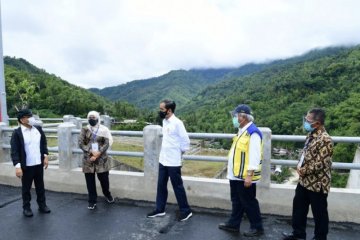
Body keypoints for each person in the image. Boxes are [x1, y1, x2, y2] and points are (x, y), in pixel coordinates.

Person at [283, 108, 333, 240]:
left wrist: (303, 170)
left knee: (320, 214)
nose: (305, 122)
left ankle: (320, 238)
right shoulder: (311, 135)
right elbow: (306, 154)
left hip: (317, 184)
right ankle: (298, 235)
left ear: (317, 123)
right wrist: (299, 165)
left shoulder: (325, 139)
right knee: (299, 209)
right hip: (304, 181)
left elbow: (321, 163)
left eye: (308, 120)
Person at [218, 104, 264, 237]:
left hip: (245, 176)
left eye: (236, 115)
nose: (234, 118)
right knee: (236, 201)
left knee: (249, 202)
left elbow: (254, 156)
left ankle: (257, 227)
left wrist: (249, 176)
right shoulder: (242, 130)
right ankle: (233, 224)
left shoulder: (253, 133)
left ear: (243, 117)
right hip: (236, 175)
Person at [147, 99, 193, 221]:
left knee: (177, 186)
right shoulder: (164, 121)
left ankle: (186, 210)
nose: (160, 111)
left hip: (173, 161)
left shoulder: (178, 123)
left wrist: (178, 153)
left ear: (169, 110)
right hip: (163, 159)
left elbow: (186, 142)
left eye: (162, 109)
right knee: (161, 185)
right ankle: (160, 209)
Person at [10, 109, 51, 217]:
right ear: (23, 119)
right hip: (26, 165)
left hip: (38, 163)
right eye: (29, 116)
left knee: (40, 186)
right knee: (26, 188)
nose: (32, 118)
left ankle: (42, 205)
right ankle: (26, 207)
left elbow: (43, 143)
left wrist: (45, 156)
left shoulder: (38, 129)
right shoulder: (17, 133)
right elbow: (14, 151)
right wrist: (17, 167)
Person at [78, 111, 114, 210]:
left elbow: (107, 142)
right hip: (88, 159)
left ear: (98, 118)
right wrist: (91, 152)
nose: (91, 119)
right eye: (89, 117)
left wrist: (98, 153)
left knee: (104, 179)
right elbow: (81, 143)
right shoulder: (85, 130)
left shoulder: (104, 129)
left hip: (101, 159)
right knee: (90, 181)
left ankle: (107, 194)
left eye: (93, 117)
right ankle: (92, 200)